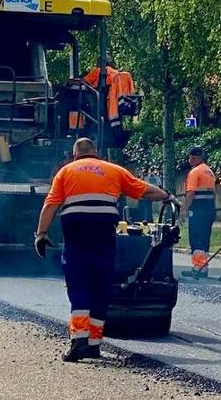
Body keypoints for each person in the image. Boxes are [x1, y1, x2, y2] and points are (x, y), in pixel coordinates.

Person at [35, 138, 171, 362]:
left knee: (79, 283)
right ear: (96, 152)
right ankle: (94, 344)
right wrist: (167, 195)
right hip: (103, 233)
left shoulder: (65, 172)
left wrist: (41, 234)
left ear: (75, 153)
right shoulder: (114, 170)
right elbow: (145, 191)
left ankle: (79, 340)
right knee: (101, 284)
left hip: (76, 233)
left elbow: (50, 204)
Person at [181, 146, 217, 280]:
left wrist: (184, 209)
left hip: (198, 209)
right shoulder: (209, 171)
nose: (189, 160)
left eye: (189, 157)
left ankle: (198, 267)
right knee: (205, 237)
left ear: (193, 157)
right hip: (209, 208)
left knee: (196, 238)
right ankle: (203, 266)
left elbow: (190, 193)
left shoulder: (195, 172)